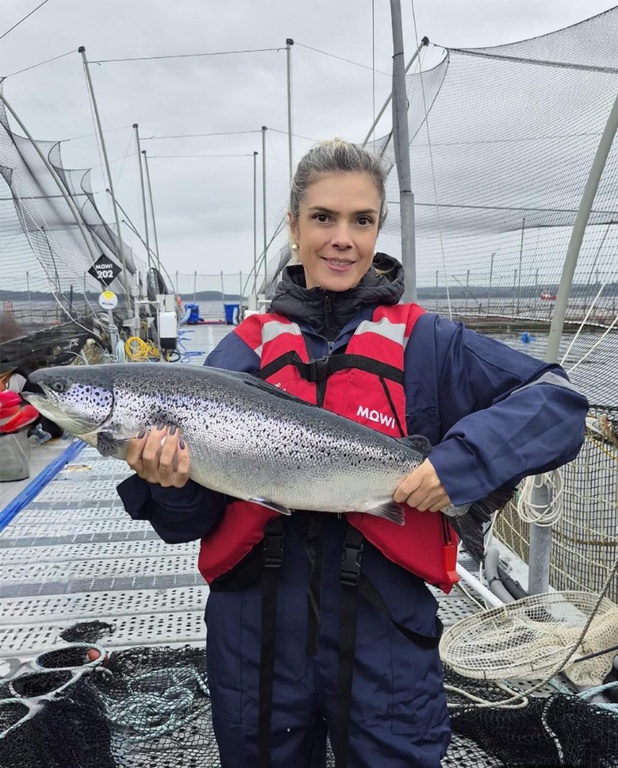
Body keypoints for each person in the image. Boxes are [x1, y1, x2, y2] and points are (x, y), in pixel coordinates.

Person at [117, 139, 588, 768]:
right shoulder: (242, 353)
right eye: (323, 217)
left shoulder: (427, 343)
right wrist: (167, 484)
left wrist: (459, 467)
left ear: (376, 229)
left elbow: (558, 403)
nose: (342, 239)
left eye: (361, 220)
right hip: (254, 642)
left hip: (385, 641)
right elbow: (188, 524)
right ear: (294, 226)